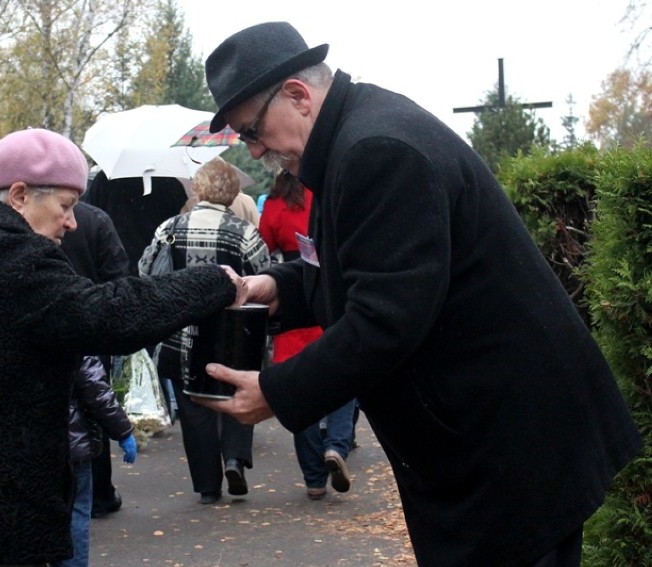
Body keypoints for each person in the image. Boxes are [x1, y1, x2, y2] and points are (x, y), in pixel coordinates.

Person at [196, 21, 641, 566]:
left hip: (506, 449)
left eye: (253, 131)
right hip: (490, 438)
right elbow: (368, 270)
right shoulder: (355, 135)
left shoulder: (376, 150)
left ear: (297, 95)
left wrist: (275, 391)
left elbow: (385, 320)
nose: (257, 151)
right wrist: (281, 288)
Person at [0, 128, 245, 566]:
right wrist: (211, 281)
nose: (72, 221)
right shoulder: (8, 259)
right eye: (64, 205)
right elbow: (107, 314)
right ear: (20, 195)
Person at [139, 157, 270, 505]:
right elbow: (265, 273)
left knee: (193, 407)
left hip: (181, 336)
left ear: (198, 188)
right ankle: (235, 460)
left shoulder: (170, 228)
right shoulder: (244, 232)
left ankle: (208, 487)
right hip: (233, 337)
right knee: (239, 395)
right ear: (232, 193)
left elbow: (145, 270)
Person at [258, 170, 355, 500]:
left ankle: (314, 479)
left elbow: (263, 245)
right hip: (324, 298)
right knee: (342, 378)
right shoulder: (319, 195)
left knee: (299, 390)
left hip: (291, 299)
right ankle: (337, 445)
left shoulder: (273, 205)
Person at [60, 201, 129, 519]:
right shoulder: (95, 219)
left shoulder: (24, 217)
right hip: (93, 327)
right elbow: (117, 278)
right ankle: (100, 493)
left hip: (49, 327)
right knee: (94, 409)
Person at [57, 355, 136, 567]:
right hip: (74, 445)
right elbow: (98, 393)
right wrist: (124, 432)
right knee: (77, 512)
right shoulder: (80, 338)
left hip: (34, 445)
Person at [82, 171, 187, 268]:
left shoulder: (105, 180)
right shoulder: (171, 183)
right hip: (157, 261)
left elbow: (90, 217)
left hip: (116, 257)